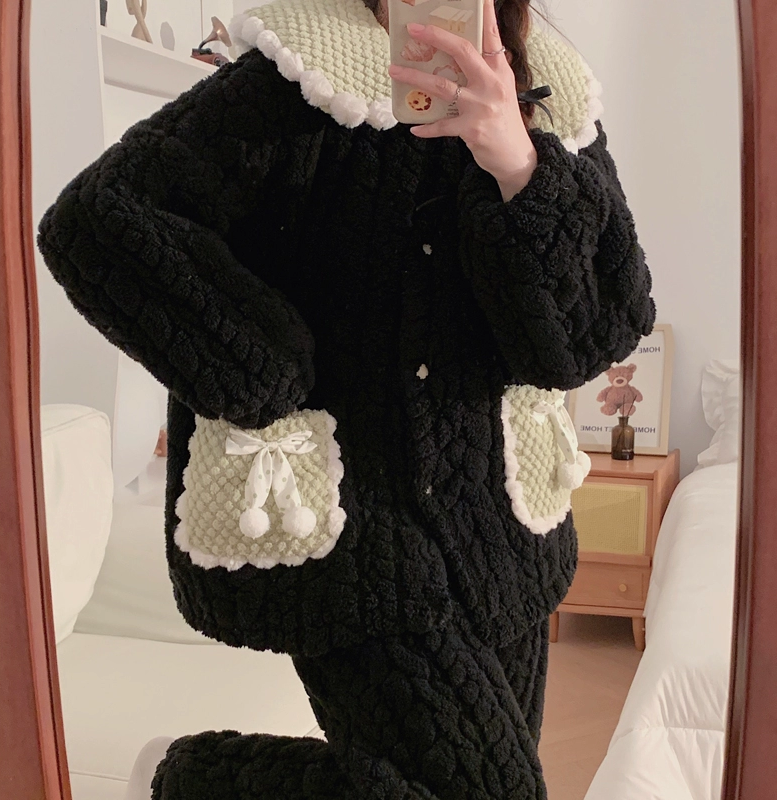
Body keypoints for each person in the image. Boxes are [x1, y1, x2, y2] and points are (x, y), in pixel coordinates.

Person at [38, 0, 655, 797]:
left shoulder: (555, 95)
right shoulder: (297, 73)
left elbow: (590, 335)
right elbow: (98, 220)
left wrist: (517, 161)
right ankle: (189, 779)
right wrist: (262, 370)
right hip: (356, 530)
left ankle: (190, 780)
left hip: (502, 529)